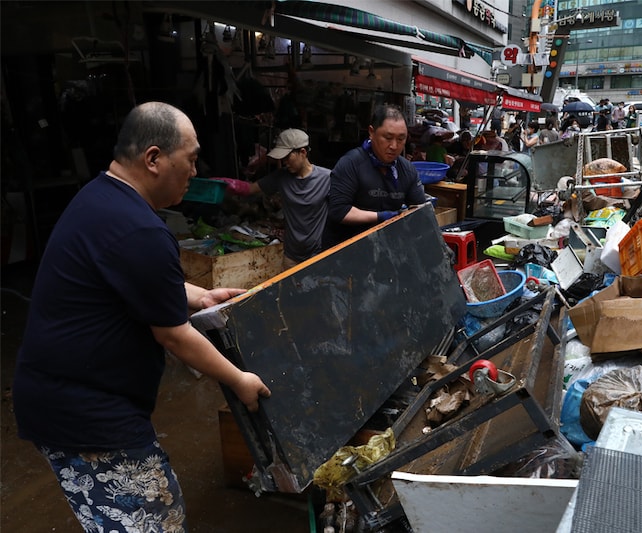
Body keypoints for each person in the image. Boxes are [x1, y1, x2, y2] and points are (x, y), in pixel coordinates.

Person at [12, 101, 271, 531]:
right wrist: (238, 378)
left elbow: (130, 282)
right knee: (154, 520)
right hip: (86, 412)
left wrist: (201, 296)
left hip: (58, 398)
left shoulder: (101, 196)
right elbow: (173, 336)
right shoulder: (140, 230)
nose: (195, 170)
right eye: (190, 160)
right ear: (153, 159)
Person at [221, 129, 331, 271]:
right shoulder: (280, 177)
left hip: (319, 255)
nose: (284, 162)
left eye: (287, 157)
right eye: (282, 158)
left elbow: (343, 211)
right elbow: (249, 189)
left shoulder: (328, 178)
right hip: (291, 257)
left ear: (302, 153)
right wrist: (224, 183)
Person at [324, 104, 427, 247]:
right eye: (388, 137)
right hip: (344, 251)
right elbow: (339, 211)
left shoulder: (407, 170)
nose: (394, 146)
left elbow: (420, 212)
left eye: (401, 139)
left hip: (385, 249)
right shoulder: (351, 164)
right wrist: (381, 217)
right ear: (371, 132)